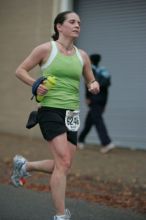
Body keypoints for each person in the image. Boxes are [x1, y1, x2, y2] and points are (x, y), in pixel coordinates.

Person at [11, 11, 100, 220]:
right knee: (63, 161)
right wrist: (35, 84)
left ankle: (25, 166)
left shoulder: (83, 56)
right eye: (72, 21)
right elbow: (20, 70)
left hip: (72, 112)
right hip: (50, 109)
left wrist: (93, 85)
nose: (77, 25)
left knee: (64, 164)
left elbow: (90, 80)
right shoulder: (46, 49)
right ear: (59, 26)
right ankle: (61, 215)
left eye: (79, 22)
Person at [78, 54, 115, 154]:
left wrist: (87, 97)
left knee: (98, 121)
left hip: (94, 99)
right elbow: (106, 89)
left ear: (91, 60)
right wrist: (104, 103)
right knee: (90, 121)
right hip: (102, 100)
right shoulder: (104, 72)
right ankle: (80, 140)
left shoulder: (92, 70)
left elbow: (88, 84)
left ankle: (106, 143)